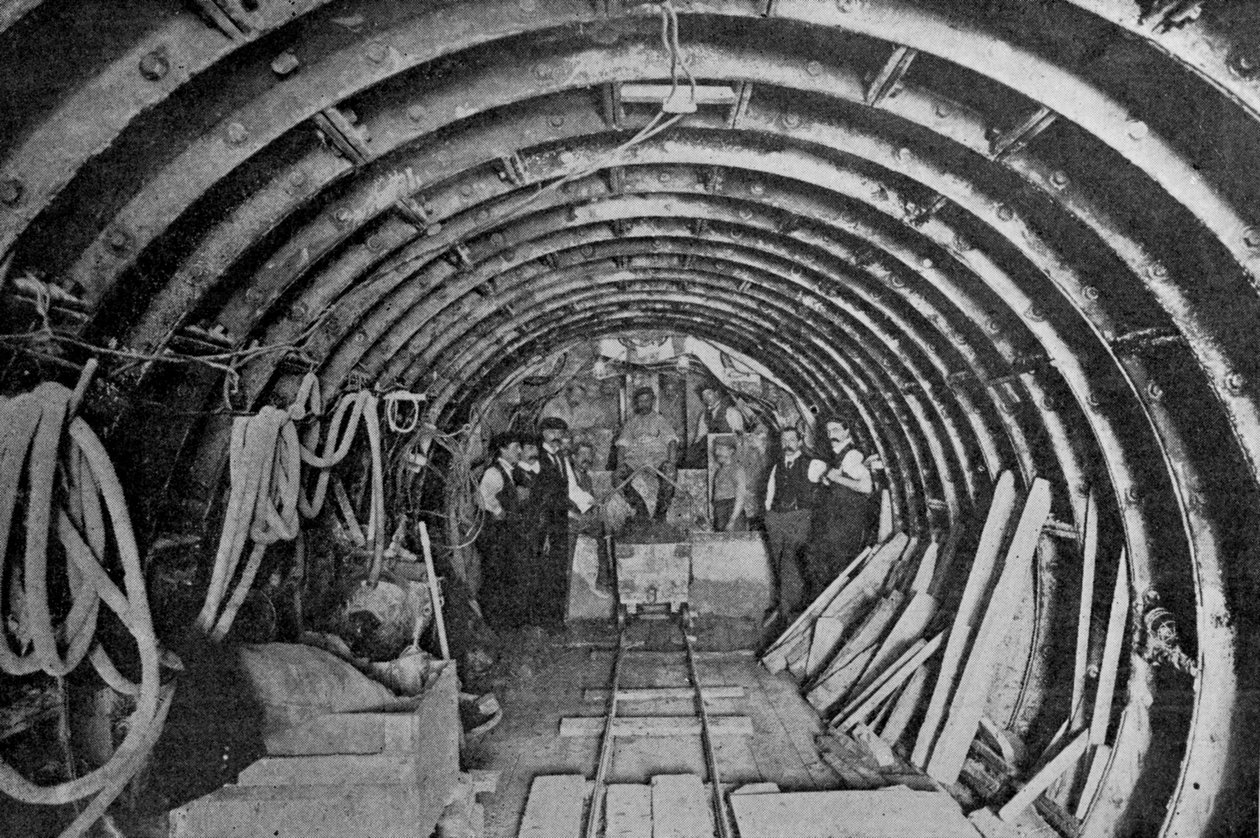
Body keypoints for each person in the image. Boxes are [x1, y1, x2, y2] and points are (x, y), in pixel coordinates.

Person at [806, 418, 875, 604]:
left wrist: (836, 478)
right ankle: (822, 603)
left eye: (836, 430)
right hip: (835, 519)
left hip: (847, 521)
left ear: (847, 432)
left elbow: (866, 487)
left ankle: (829, 604)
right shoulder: (836, 455)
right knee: (820, 559)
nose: (831, 435)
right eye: (828, 432)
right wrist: (828, 479)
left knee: (835, 563)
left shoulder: (852, 455)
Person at [762, 426, 822, 621]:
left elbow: (830, 484)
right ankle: (784, 607)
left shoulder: (812, 464)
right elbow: (770, 493)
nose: (787, 444)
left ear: (800, 442)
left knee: (790, 562)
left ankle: (789, 613)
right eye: (783, 440)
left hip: (799, 518)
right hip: (776, 519)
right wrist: (769, 516)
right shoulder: (777, 466)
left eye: (791, 440)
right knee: (778, 563)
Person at [475, 432, 524, 629]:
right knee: (494, 575)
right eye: (515, 447)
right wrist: (499, 511)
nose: (519, 451)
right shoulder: (494, 472)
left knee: (505, 575)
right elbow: (482, 497)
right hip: (495, 535)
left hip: (505, 535)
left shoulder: (509, 471)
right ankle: (493, 622)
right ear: (502, 450)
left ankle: (503, 622)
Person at [530, 416, 574, 628]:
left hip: (560, 522)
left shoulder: (560, 458)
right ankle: (545, 620)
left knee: (559, 569)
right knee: (546, 571)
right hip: (546, 524)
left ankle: (556, 618)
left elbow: (570, 489)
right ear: (543, 433)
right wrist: (544, 529)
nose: (557, 436)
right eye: (552, 432)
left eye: (560, 433)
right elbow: (538, 496)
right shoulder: (537, 458)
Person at [615, 387, 679, 522]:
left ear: (652, 401)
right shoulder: (632, 422)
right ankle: (641, 510)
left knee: (671, 473)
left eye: (646, 401)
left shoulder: (660, 420)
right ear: (636, 403)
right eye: (640, 401)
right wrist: (620, 464)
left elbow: (672, 441)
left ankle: (660, 515)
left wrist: (671, 462)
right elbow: (622, 445)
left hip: (656, 459)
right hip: (635, 460)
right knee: (617, 476)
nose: (643, 404)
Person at [691, 382, 745, 464]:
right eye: (704, 396)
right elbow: (700, 436)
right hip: (712, 452)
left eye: (709, 394)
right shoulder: (704, 415)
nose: (707, 398)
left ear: (716, 393)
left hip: (729, 453)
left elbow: (740, 436)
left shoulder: (731, 412)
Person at [710, 437, 749, 532]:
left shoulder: (737, 470)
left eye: (720, 449)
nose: (717, 452)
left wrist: (732, 520)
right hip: (720, 513)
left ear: (731, 451)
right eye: (716, 449)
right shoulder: (719, 471)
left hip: (732, 513)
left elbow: (740, 497)